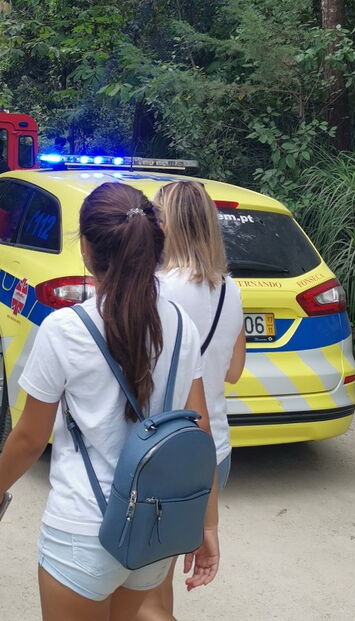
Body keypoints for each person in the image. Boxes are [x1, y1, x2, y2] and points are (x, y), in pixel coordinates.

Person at [0, 182, 220, 621]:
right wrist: (207, 523)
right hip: (149, 532)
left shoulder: (65, 329)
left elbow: (30, 438)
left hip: (81, 532)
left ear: (86, 248)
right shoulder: (181, 325)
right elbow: (201, 432)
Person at [136, 181, 246, 621]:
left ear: (166, 226)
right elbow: (233, 371)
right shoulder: (231, 290)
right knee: (155, 589)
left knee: (146, 595)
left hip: (164, 454)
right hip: (214, 451)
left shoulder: (156, 290)